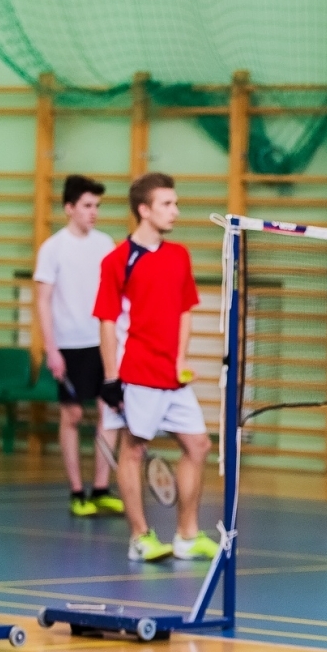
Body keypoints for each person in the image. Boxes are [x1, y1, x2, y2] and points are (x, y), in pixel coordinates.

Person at [93, 172, 219, 564]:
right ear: (143, 210)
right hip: (138, 373)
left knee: (198, 445)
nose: (175, 211)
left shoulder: (179, 255)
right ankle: (139, 537)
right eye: (167, 204)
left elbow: (184, 311)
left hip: (171, 376)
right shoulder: (118, 261)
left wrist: (181, 358)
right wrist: (111, 378)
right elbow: (108, 322)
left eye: (176, 203)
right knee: (133, 450)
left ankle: (186, 535)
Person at [34, 174, 122, 518]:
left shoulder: (106, 243)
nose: (93, 212)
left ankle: (101, 488)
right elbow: (43, 302)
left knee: (109, 413)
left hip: (102, 342)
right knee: (71, 415)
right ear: (69, 208)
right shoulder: (52, 248)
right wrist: (51, 349)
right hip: (69, 345)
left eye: (97, 206)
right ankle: (76, 492)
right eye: (87, 206)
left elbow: (115, 296)